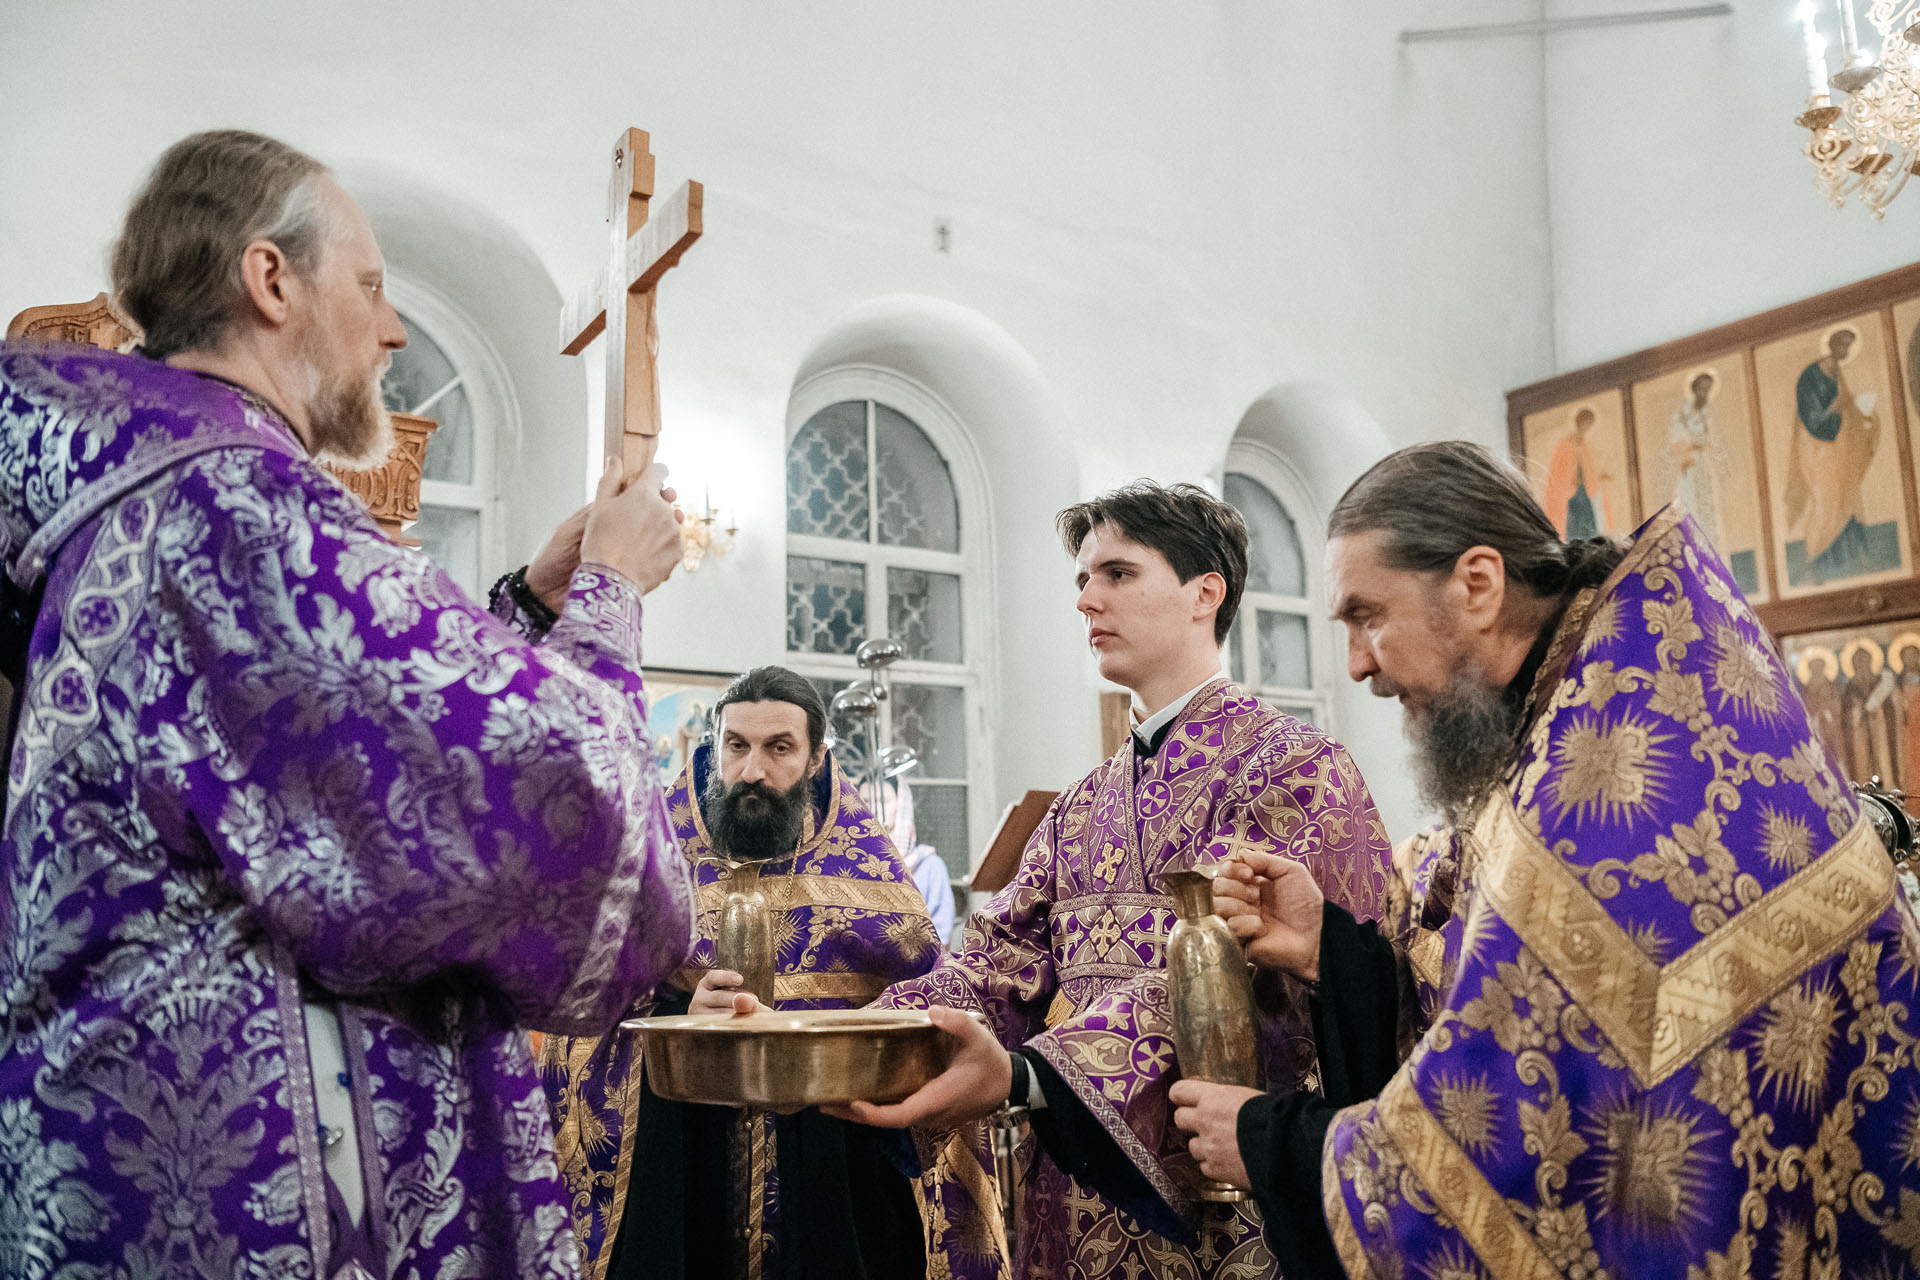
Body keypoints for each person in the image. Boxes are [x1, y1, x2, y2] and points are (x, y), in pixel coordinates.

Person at [0, 130, 696, 1278]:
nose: (393, 329)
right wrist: (613, 589)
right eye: (371, 286)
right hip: (244, 1203)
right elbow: (559, 790)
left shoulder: (145, 484)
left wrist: (528, 604)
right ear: (270, 280)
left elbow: (341, 772)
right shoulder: (233, 498)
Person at [1170, 442, 1920, 1279]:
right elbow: (1518, 995)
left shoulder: (1616, 775)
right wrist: (1333, 952)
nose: (1357, 664)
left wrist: (1274, 1145)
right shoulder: (1587, 697)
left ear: (1478, 585)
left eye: (1367, 615)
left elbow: (1535, 1149)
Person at [835, 481, 1394, 1277]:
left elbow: (1231, 979)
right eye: (1083, 579)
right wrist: (834, 1040)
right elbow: (991, 967)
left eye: (1119, 574)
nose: (1087, 600)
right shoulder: (1080, 805)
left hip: (1229, 1208)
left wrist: (1031, 1076)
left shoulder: (1296, 770)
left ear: (1205, 593)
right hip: (1074, 1200)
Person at [540, 665, 959, 1280]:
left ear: (817, 760)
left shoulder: (868, 871)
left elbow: (927, 1018)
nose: (752, 770)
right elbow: (581, 1015)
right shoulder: (654, 859)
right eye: (736, 746)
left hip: (829, 1170)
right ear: (715, 748)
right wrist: (678, 1014)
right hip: (685, 1160)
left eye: (779, 748)